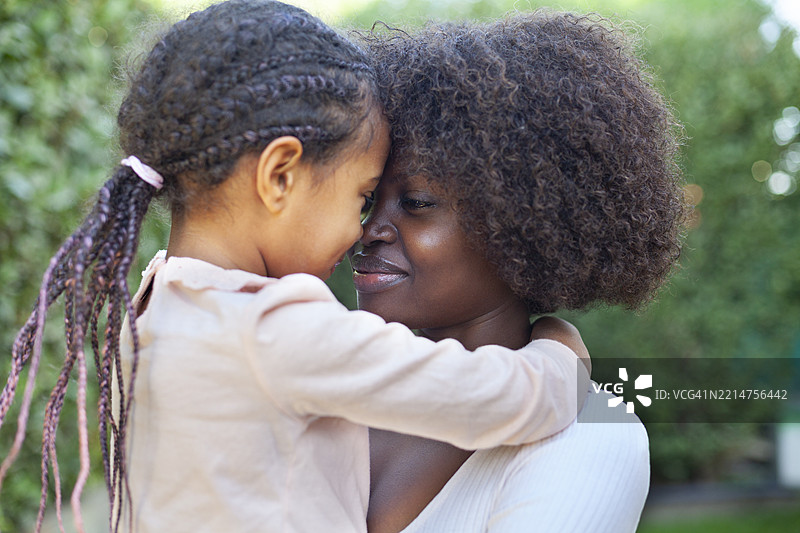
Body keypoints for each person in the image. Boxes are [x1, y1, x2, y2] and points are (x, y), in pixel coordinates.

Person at [0, 2, 593, 532]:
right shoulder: (277, 328)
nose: (361, 229)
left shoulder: (150, 307)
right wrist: (559, 354)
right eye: (360, 196)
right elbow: (492, 398)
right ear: (279, 175)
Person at [356, 10, 686, 533]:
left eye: (415, 202)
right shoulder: (326, 384)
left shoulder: (589, 434)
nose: (370, 229)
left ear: (524, 222)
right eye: (365, 201)